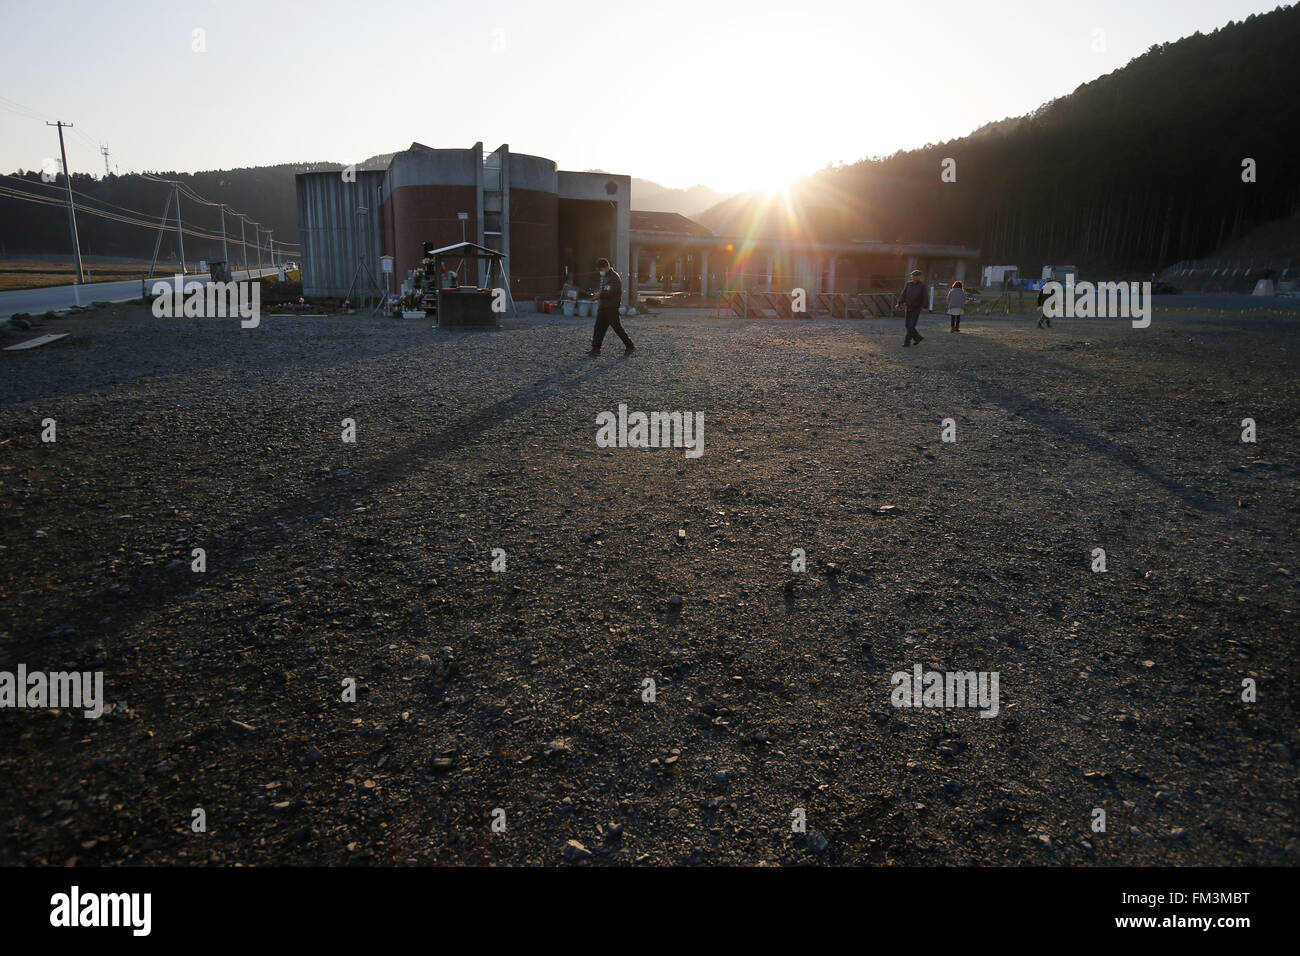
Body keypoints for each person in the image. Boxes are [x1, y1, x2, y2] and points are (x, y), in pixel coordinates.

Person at [588, 258, 635, 355]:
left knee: (616, 327)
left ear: (605, 267)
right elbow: (604, 290)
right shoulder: (605, 277)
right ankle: (596, 348)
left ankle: (630, 345)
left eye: (600, 269)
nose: (600, 272)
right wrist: (598, 295)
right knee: (598, 327)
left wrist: (600, 295)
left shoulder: (614, 277)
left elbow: (612, 292)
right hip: (603, 307)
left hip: (612, 307)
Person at [896, 269, 927, 346]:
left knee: (911, 326)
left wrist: (925, 306)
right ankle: (918, 338)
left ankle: (907, 342)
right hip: (908, 306)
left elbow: (925, 297)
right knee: (907, 325)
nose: (914, 277)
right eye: (913, 276)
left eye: (916, 276)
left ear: (919, 277)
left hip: (916, 308)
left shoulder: (922, 286)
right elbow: (904, 294)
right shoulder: (908, 284)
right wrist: (899, 303)